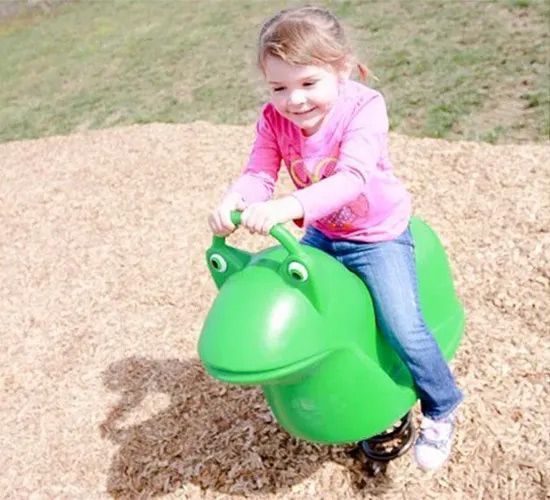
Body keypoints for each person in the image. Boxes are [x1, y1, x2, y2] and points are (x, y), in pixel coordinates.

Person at [208, 6, 463, 471]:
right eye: (279, 87)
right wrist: (234, 200)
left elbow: (352, 178)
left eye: (308, 83)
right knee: (302, 305)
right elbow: (258, 174)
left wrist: (290, 207)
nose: (295, 101)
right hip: (323, 234)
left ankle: (442, 406)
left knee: (403, 325)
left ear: (341, 68)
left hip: (377, 236)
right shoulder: (273, 120)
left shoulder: (364, 107)